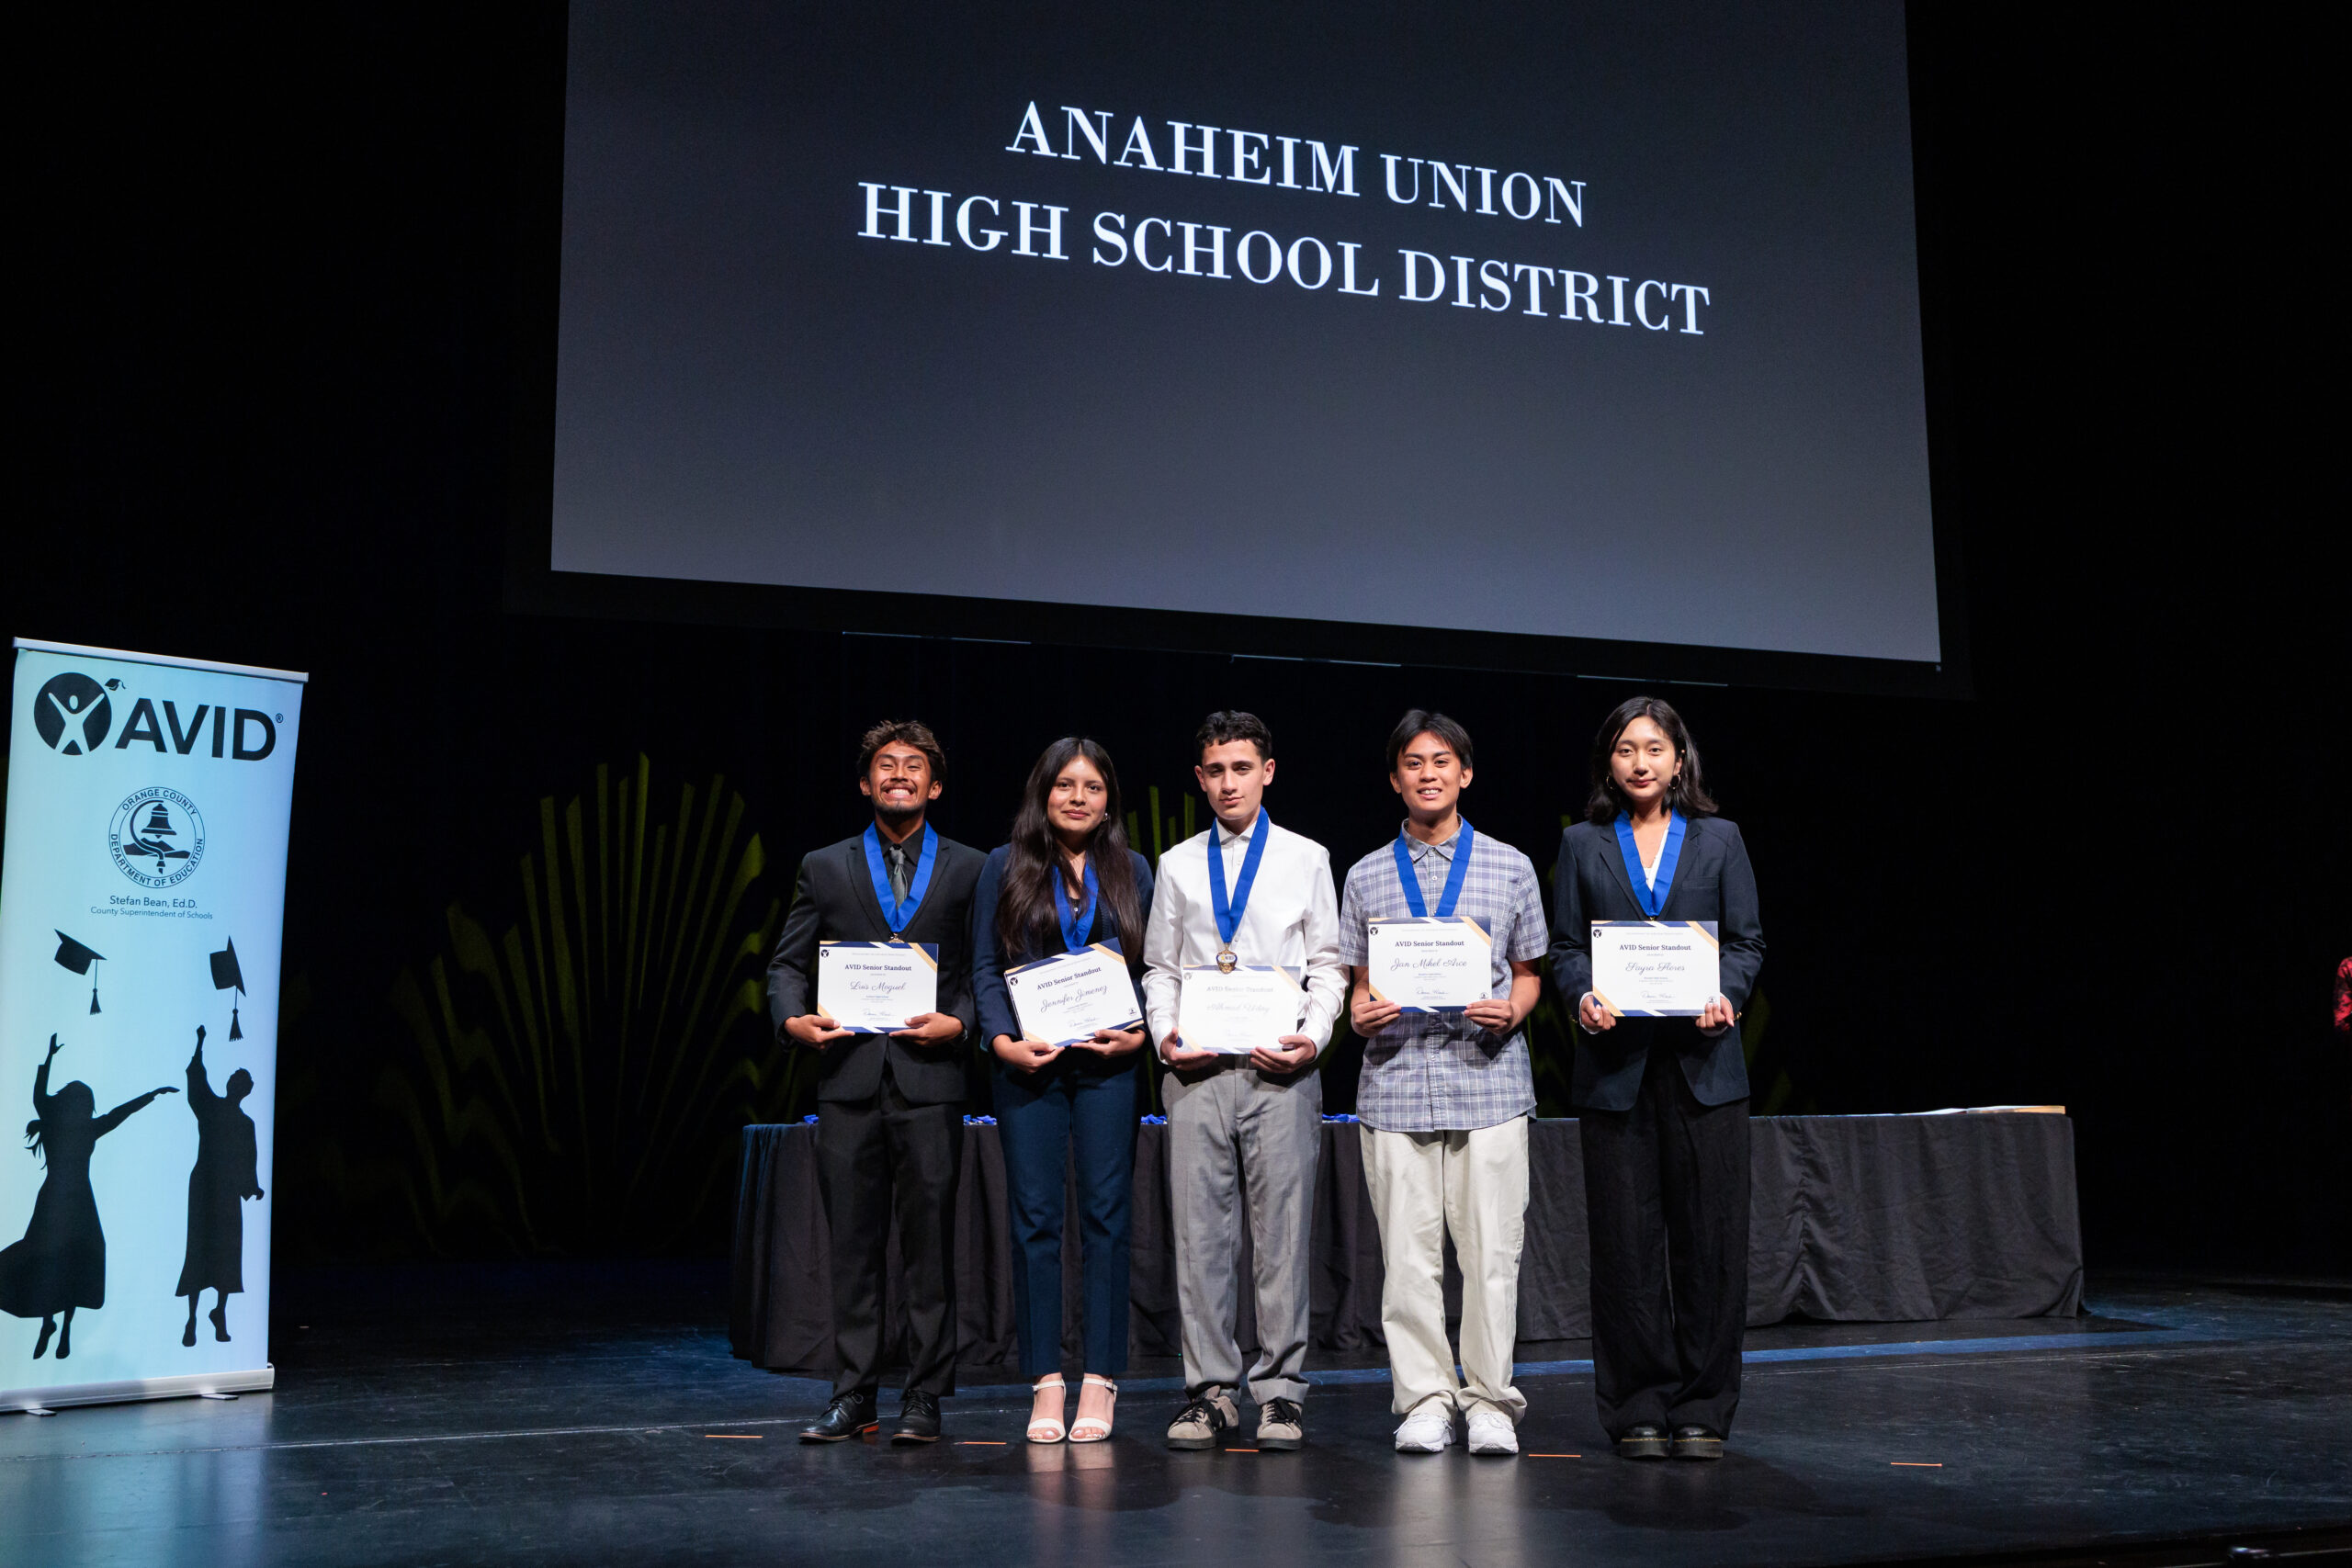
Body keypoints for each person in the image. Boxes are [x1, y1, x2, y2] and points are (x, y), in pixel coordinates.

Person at [1549, 696, 1765, 1461]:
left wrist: (1726, 996)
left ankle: (1704, 1404)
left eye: (1654, 748)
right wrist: (1582, 995)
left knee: (1710, 1242)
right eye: (1624, 749)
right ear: (1609, 761)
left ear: (1680, 759)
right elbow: (1568, 946)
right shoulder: (1582, 843)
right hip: (1615, 1071)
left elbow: (1745, 942)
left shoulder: (1720, 839)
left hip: (1705, 1067)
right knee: (1625, 1246)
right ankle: (1637, 1404)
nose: (1639, 762)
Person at [768, 720, 988, 1445]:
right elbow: (786, 965)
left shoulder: (971, 867)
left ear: (936, 783)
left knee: (930, 1247)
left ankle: (923, 1396)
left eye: (914, 765)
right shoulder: (825, 865)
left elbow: (982, 969)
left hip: (931, 1081)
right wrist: (793, 1021)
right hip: (849, 1079)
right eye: (885, 765)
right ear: (865, 783)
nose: (899, 774)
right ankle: (853, 1392)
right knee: (854, 1246)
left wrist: (960, 1024)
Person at [1339, 711, 1548, 1456]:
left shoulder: (1510, 865)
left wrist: (1511, 1011)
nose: (1429, 773)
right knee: (1408, 1257)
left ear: (1466, 773)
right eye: (1413, 762)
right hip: (1396, 1086)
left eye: (1443, 760)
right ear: (1395, 777)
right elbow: (1359, 988)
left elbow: (1529, 975)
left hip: (1487, 1081)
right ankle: (1424, 1396)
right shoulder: (1365, 873)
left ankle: (1491, 1398)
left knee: (1493, 1252)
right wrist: (1361, 1015)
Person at [1142, 710, 1344, 1451]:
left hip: (1279, 1072)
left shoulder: (1306, 857)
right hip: (1197, 1074)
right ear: (1199, 779)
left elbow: (1327, 965)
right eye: (1215, 770)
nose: (1229, 782)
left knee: (1282, 1238)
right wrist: (1167, 1039)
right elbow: (1161, 967)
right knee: (1200, 1237)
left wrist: (1312, 1038)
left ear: (1268, 771)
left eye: (1241, 767)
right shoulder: (1176, 863)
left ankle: (1282, 1393)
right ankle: (1210, 1392)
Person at [969, 739, 1155, 1444]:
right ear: (1042, 791)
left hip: (1109, 1064)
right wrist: (1001, 1041)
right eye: (1065, 785)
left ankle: (1101, 1378)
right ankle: (1046, 1378)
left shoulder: (1133, 868)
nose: (1079, 797)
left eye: (1093, 786)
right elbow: (986, 966)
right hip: (1029, 1065)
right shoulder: (1003, 865)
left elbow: (1150, 966)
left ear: (1109, 797)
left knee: (1107, 1218)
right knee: (1036, 1219)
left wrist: (1138, 1031)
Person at [0, 1034, 175, 1359]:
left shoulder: (88, 1128)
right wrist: (48, 1058)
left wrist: (151, 1096)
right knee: (46, 1258)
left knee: (76, 1261)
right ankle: (48, 1323)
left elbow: (120, 1113)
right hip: (54, 1202)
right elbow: (39, 1094)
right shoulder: (55, 1125)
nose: (82, 1105)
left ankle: (64, 1328)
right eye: (79, 1100)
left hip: (79, 1203)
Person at [176, 1025, 264, 1347]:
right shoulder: (214, 1109)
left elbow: (248, 1161)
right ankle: (192, 1318)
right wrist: (199, 1043)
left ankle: (219, 1312)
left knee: (227, 1252)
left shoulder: (244, 1123)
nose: (235, 1086)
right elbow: (196, 1081)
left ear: (244, 1090)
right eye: (235, 1081)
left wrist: (252, 1187)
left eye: (240, 1084)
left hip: (224, 1190)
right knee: (199, 1248)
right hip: (205, 1187)